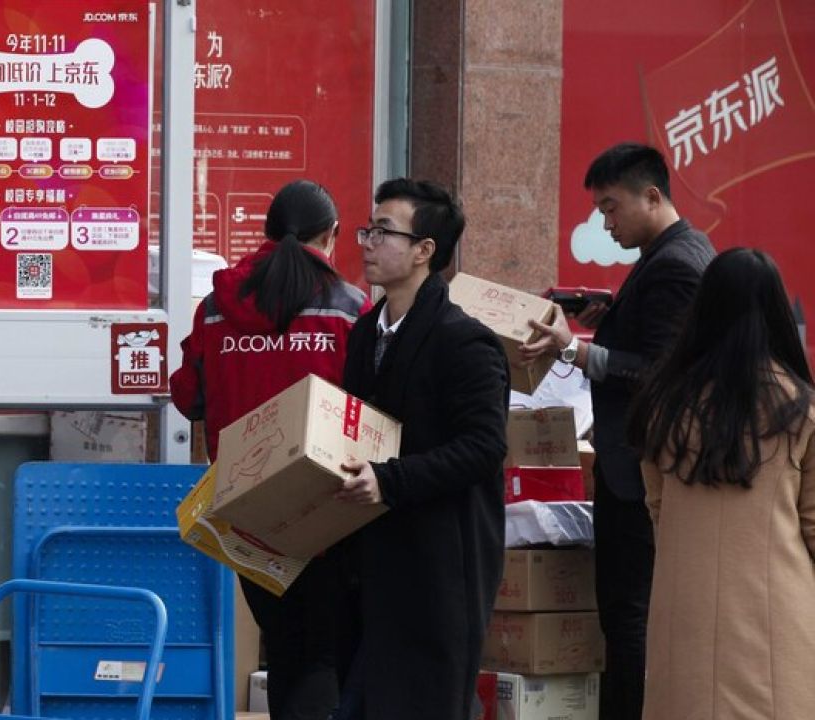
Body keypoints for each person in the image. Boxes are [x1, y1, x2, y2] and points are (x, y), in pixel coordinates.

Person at [519, 142, 714, 719]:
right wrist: (609, 323)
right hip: (636, 467)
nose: (606, 224)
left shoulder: (675, 265)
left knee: (629, 616)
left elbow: (662, 371)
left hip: (642, 470)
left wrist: (575, 350)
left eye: (611, 207)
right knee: (628, 614)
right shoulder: (669, 253)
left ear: (651, 196)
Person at [170, 179, 370, 720]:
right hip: (329, 510)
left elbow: (188, 397)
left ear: (266, 232)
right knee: (323, 652)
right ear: (330, 235)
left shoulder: (216, 307)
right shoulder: (350, 307)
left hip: (248, 509)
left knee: (284, 648)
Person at [335, 178, 508, 720]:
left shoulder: (465, 340)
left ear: (424, 250)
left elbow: (483, 447)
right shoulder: (366, 332)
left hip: (439, 562)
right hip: (370, 558)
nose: (368, 242)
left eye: (383, 232)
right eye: (367, 230)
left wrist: (389, 480)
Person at [627, 248, 815, 719]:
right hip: (776, 616)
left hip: (683, 608)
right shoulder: (800, 409)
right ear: (775, 312)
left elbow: (658, 508)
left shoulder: (663, 405)